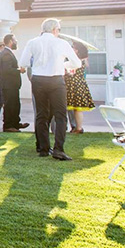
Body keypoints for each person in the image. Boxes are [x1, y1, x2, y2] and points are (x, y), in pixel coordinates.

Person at [17, 18, 82, 160]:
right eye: (58, 29)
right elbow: (76, 63)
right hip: (56, 81)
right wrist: (63, 65)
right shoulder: (62, 43)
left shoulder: (33, 42)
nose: (58, 32)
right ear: (54, 29)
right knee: (60, 115)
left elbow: (23, 62)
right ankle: (58, 149)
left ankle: (43, 148)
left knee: (41, 114)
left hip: (38, 80)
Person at [0, 34, 29, 132]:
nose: (16, 42)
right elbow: (7, 70)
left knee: (15, 104)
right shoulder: (6, 53)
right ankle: (8, 125)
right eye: (15, 40)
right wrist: (19, 70)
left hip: (12, 85)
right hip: (9, 85)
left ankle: (15, 123)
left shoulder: (8, 52)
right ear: (11, 41)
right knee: (10, 105)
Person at [65, 42, 94, 134]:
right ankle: (78, 127)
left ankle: (78, 128)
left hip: (74, 85)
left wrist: (66, 71)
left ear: (77, 50)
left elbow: (72, 73)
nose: (71, 48)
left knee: (77, 108)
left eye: (73, 47)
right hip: (79, 85)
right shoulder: (83, 60)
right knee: (77, 109)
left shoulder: (77, 61)